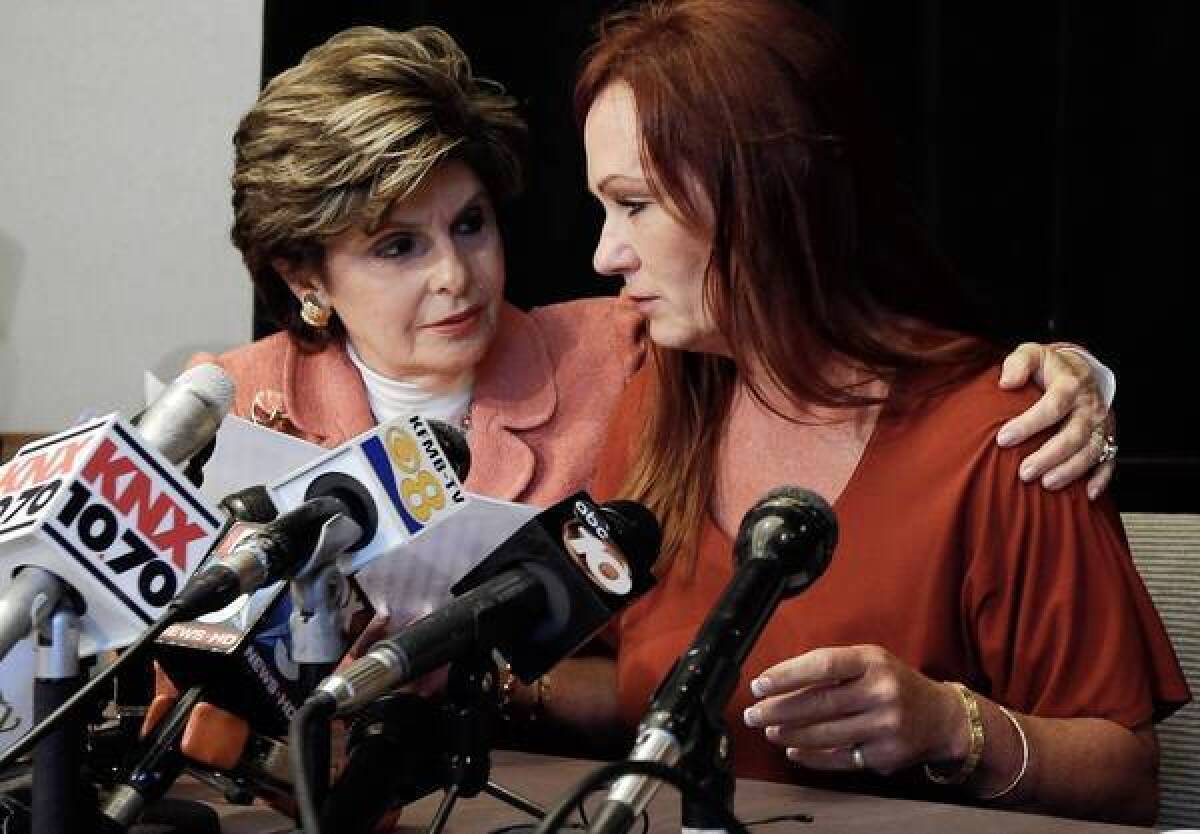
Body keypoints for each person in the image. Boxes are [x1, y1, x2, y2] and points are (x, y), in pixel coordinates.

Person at [154, 20, 1115, 795]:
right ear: (303, 275)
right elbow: (173, 685)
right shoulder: (237, 407)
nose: (455, 277)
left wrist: (1067, 374)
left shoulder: (635, 351)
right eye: (396, 247)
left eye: (472, 225)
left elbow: (810, 330)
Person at [564, 0, 1188, 824]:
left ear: (768, 197)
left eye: (634, 204)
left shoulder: (1008, 438)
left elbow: (1128, 780)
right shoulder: (655, 407)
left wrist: (950, 728)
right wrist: (446, 665)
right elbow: (630, 685)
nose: (605, 253)